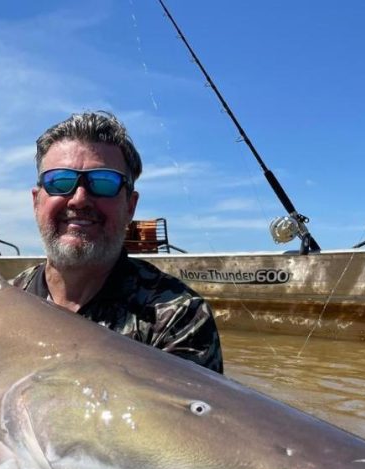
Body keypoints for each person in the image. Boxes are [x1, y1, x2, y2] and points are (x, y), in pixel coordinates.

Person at [12, 111, 223, 373]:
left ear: (130, 206)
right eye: (60, 181)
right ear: (36, 201)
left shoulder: (176, 316)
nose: (79, 199)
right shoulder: (2, 304)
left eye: (104, 183)